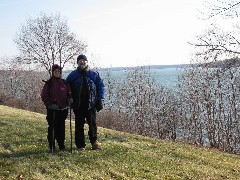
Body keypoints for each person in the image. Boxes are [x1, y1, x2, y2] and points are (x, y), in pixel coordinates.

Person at [66, 54, 105, 150]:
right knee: (79, 125)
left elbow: (101, 86)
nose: (82, 62)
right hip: (78, 105)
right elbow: (66, 87)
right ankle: (80, 145)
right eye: (80, 60)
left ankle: (94, 142)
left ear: (86, 62)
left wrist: (100, 100)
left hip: (91, 104)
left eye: (84, 60)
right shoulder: (72, 75)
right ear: (77, 62)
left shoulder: (93, 74)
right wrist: (69, 98)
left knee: (92, 124)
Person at [41, 64, 72, 152]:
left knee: (61, 128)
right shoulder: (49, 83)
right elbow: (44, 95)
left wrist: (70, 98)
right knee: (52, 128)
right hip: (53, 110)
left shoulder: (64, 82)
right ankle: (52, 146)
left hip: (63, 109)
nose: (57, 73)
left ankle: (61, 145)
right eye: (55, 71)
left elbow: (69, 92)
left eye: (59, 71)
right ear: (53, 72)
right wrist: (49, 104)